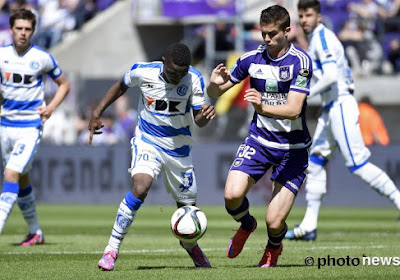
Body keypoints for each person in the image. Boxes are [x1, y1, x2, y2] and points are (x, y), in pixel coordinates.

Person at [89, 43, 215, 271]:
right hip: (148, 141)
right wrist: (98, 112)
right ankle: (111, 250)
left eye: (182, 72)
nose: (178, 77)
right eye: (173, 71)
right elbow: (121, 85)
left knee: (187, 208)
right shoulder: (143, 71)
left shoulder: (194, 79)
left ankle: (190, 245)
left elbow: (199, 118)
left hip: (179, 150)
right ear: (164, 61)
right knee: (141, 186)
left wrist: (206, 116)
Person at [285, 0, 400, 242]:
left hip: (341, 106)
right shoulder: (317, 39)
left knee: (357, 163)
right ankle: (309, 226)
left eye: (308, 15)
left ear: (318, 16)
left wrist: (305, 95)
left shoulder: (323, 38)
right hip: (331, 108)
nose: (304, 20)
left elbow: (330, 76)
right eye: (301, 16)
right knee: (315, 161)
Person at [207, 5, 313, 267]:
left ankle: (273, 247)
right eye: (263, 33)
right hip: (259, 142)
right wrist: (212, 82)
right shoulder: (250, 59)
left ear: (287, 31)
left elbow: (294, 109)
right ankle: (246, 224)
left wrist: (262, 105)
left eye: (272, 34)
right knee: (231, 195)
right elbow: (216, 92)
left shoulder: (301, 62)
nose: (266, 39)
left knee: (275, 222)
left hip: (293, 148)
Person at [0, 9, 70, 244]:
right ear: (11, 29)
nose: (23, 33)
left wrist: (50, 108)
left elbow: (63, 84)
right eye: (18, 28)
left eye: (27, 29)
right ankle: (35, 232)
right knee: (21, 178)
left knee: (10, 174)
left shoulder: (42, 57)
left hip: (30, 125)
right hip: (5, 124)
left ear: (33, 31)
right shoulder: (1, 56)